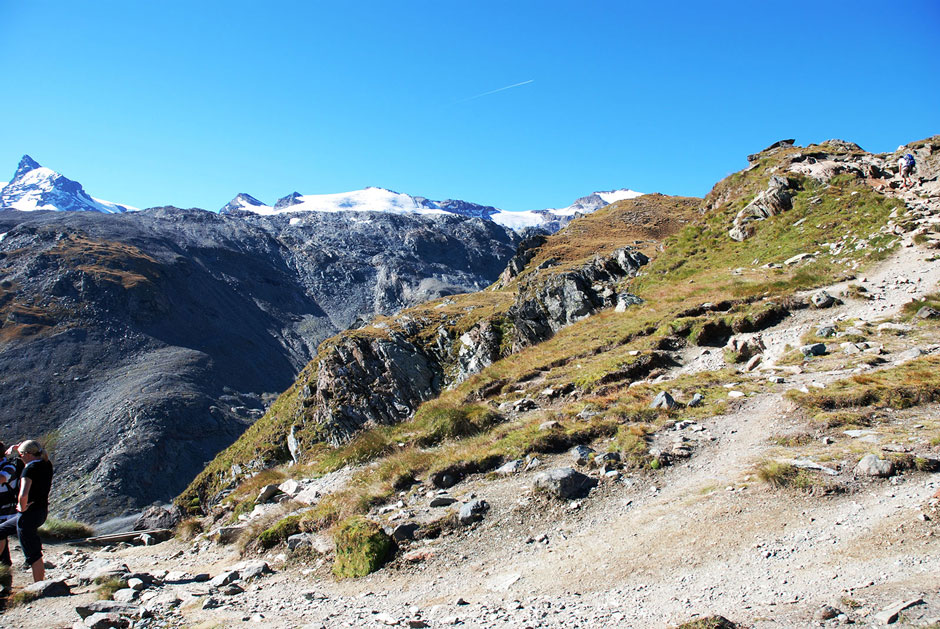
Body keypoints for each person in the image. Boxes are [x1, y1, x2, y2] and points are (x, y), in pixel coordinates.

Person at [0, 440, 53, 582]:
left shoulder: (28, 470)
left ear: (28, 454)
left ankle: (39, 586)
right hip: (41, 511)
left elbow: (23, 494)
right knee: (1, 531)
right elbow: (31, 452)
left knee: (33, 554)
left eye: (22, 454)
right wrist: (15, 449)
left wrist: (21, 507)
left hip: (28, 515)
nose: (20, 457)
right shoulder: (46, 464)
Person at [0, 442, 24, 567]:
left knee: (1, 535)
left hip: (6, 509)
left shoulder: (9, 467)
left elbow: (2, 479)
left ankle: (5, 571)